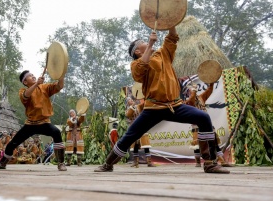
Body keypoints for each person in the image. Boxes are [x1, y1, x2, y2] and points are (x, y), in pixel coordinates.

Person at [94, 27, 229, 174]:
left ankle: (209, 163)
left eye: (147, 42)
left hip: (174, 106)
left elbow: (171, 38)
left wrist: (171, 24)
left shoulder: (162, 54)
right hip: (153, 108)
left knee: (203, 117)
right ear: (138, 52)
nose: (147, 42)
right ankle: (108, 164)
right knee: (130, 136)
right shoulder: (136, 64)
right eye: (144, 43)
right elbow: (140, 71)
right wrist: (151, 45)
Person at [0, 70, 67, 171]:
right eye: (29, 76)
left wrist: (61, 75)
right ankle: (2, 163)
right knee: (12, 143)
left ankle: (61, 163)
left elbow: (59, 86)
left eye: (33, 74)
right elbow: (26, 96)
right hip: (31, 124)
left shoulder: (44, 87)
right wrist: (37, 83)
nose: (33, 76)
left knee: (57, 132)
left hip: (44, 122)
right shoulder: (23, 91)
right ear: (25, 82)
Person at [125, 97, 156, 168]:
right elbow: (129, 115)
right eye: (129, 100)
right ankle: (136, 162)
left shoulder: (138, 106)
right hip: (134, 128)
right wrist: (132, 106)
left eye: (132, 99)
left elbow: (144, 107)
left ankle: (149, 162)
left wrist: (146, 99)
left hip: (142, 126)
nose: (131, 100)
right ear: (127, 102)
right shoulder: (128, 110)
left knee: (146, 145)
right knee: (135, 146)